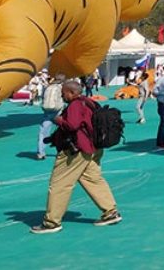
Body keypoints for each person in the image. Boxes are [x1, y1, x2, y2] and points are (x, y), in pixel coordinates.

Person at [31, 80, 121, 233]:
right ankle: (110, 211)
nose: (62, 95)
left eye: (64, 92)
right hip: (93, 148)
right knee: (92, 179)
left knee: (60, 184)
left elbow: (72, 125)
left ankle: (52, 222)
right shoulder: (89, 102)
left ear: (72, 93)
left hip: (77, 150)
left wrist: (57, 119)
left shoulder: (75, 105)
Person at [36, 75, 66, 160]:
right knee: (63, 131)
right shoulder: (61, 87)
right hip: (58, 111)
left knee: (43, 132)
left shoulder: (48, 86)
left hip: (47, 111)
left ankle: (40, 152)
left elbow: (43, 97)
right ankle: (61, 151)